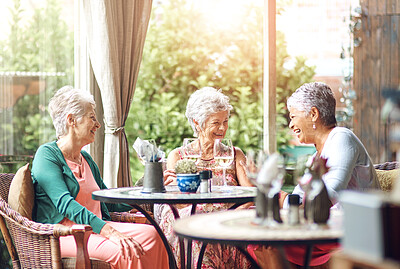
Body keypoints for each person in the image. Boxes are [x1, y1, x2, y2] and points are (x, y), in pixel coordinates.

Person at [31, 86, 168, 269]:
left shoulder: (85, 158)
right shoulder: (47, 155)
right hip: (65, 235)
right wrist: (108, 231)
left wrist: (145, 191)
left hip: (95, 229)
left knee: (154, 235)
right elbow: (65, 203)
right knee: (126, 251)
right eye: (92, 117)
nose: (98, 124)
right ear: (71, 120)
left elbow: (108, 199)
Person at [252, 82, 380, 269]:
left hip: (349, 233)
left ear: (313, 114)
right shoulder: (316, 156)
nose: (291, 124)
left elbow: (325, 198)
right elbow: (296, 202)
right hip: (324, 230)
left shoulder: (342, 138)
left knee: (266, 240)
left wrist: (273, 195)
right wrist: (268, 194)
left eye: (293, 116)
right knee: (259, 237)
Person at [157, 87, 253, 268]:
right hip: (195, 220)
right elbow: (178, 203)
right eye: (216, 123)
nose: (223, 128)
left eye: (226, 121)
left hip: (229, 220)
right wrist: (169, 188)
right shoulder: (178, 156)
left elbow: (251, 194)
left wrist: (232, 213)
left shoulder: (234, 154)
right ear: (197, 123)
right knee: (197, 234)